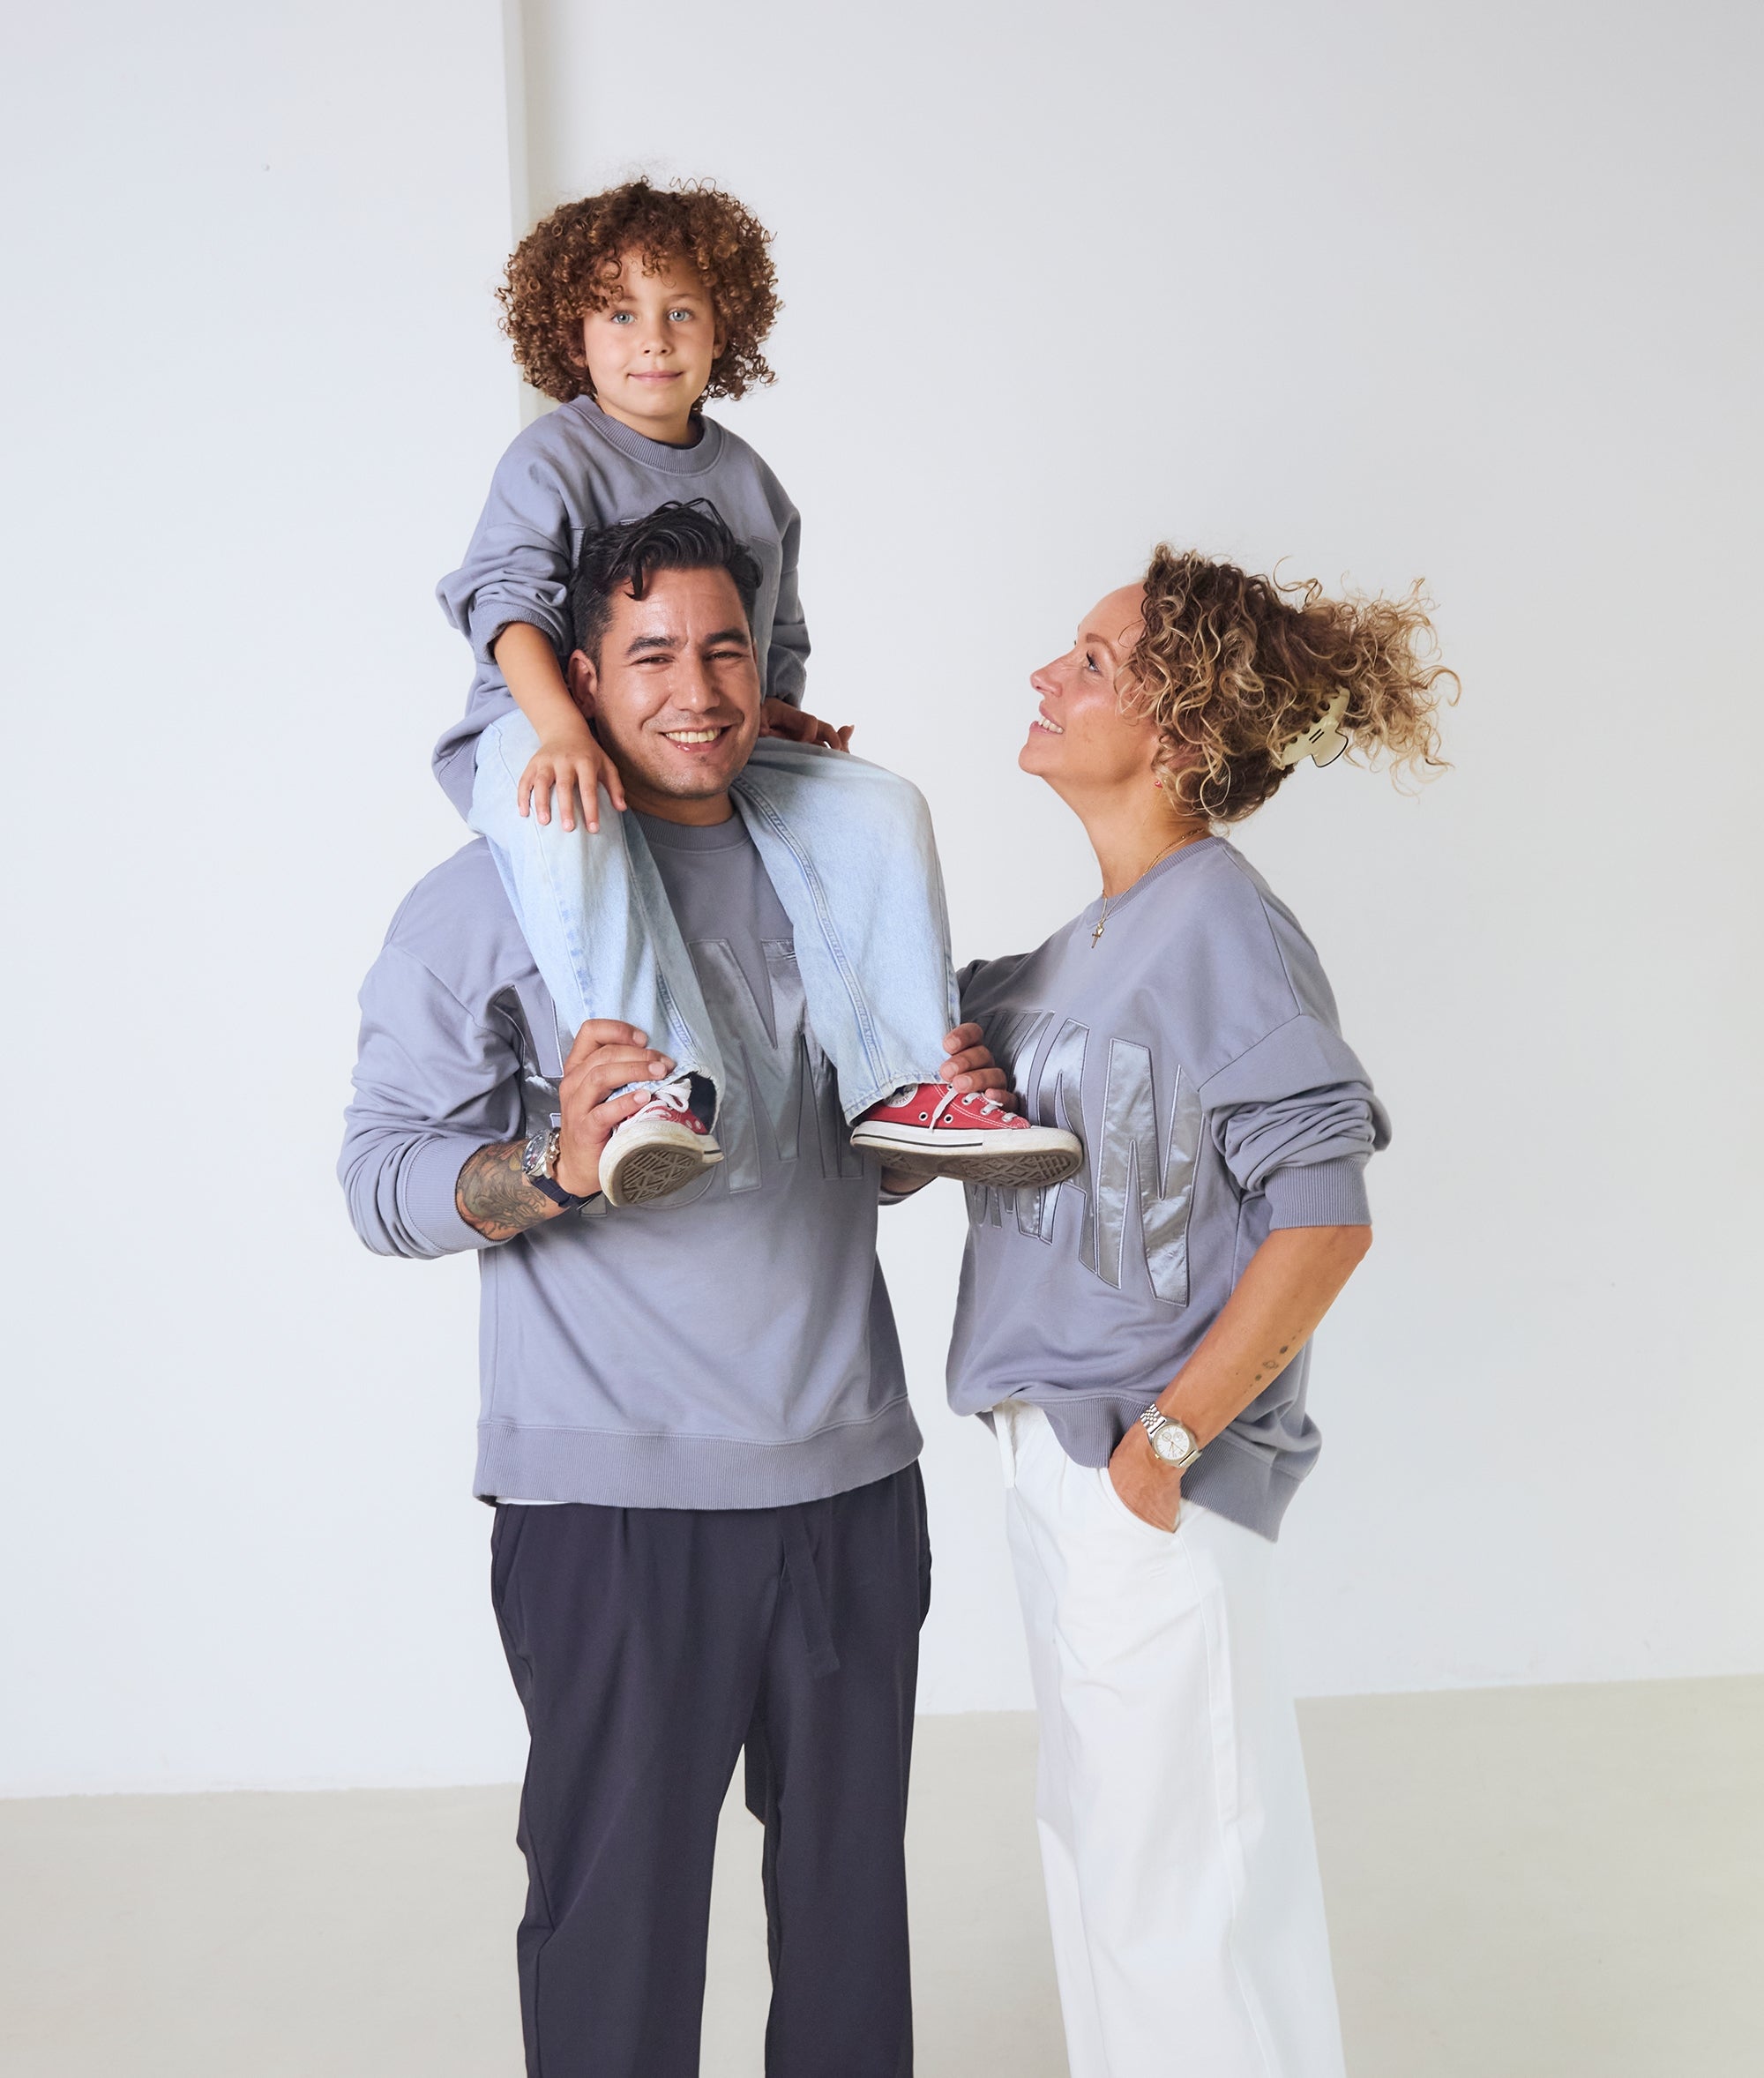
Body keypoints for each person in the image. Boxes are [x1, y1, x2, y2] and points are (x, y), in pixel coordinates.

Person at [340, 502, 1035, 2078]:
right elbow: (380, 1182)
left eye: (726, 649)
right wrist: (560, 1164)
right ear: (580, 679)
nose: (700, 691)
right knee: (618, 1945)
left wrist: (927, 1123)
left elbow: (843, 1165)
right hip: (614, 1507)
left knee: (850, 1937)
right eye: (651, 656)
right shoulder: (489, 898)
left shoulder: (835, 865)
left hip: (850, 1482)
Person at [938, 548, 1454, 2078]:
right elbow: (913, 1033)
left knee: (1184, 1906)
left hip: (1147, 1479)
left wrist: (1164, 1446)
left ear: (1181, 728)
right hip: (1058, 1467)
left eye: (1093, 662)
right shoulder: (1089, 942)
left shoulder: (1222, 920)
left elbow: (1324, 1216)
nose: (1049, 675)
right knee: (1112, 1877)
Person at [435, 177, 1077, 1205]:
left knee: (877, 801)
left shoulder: (750, 485)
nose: (653, 340)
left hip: (692, 740)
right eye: (620, 314)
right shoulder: (551, 457)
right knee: (564, 804)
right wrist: (560, 727)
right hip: (538, 720)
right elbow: (505, 606)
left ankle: (902, 1082)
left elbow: (769, 637)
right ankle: (651, 1086)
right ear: (570, 332)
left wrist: (774, 711)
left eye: (680, 311)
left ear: (723, 326)